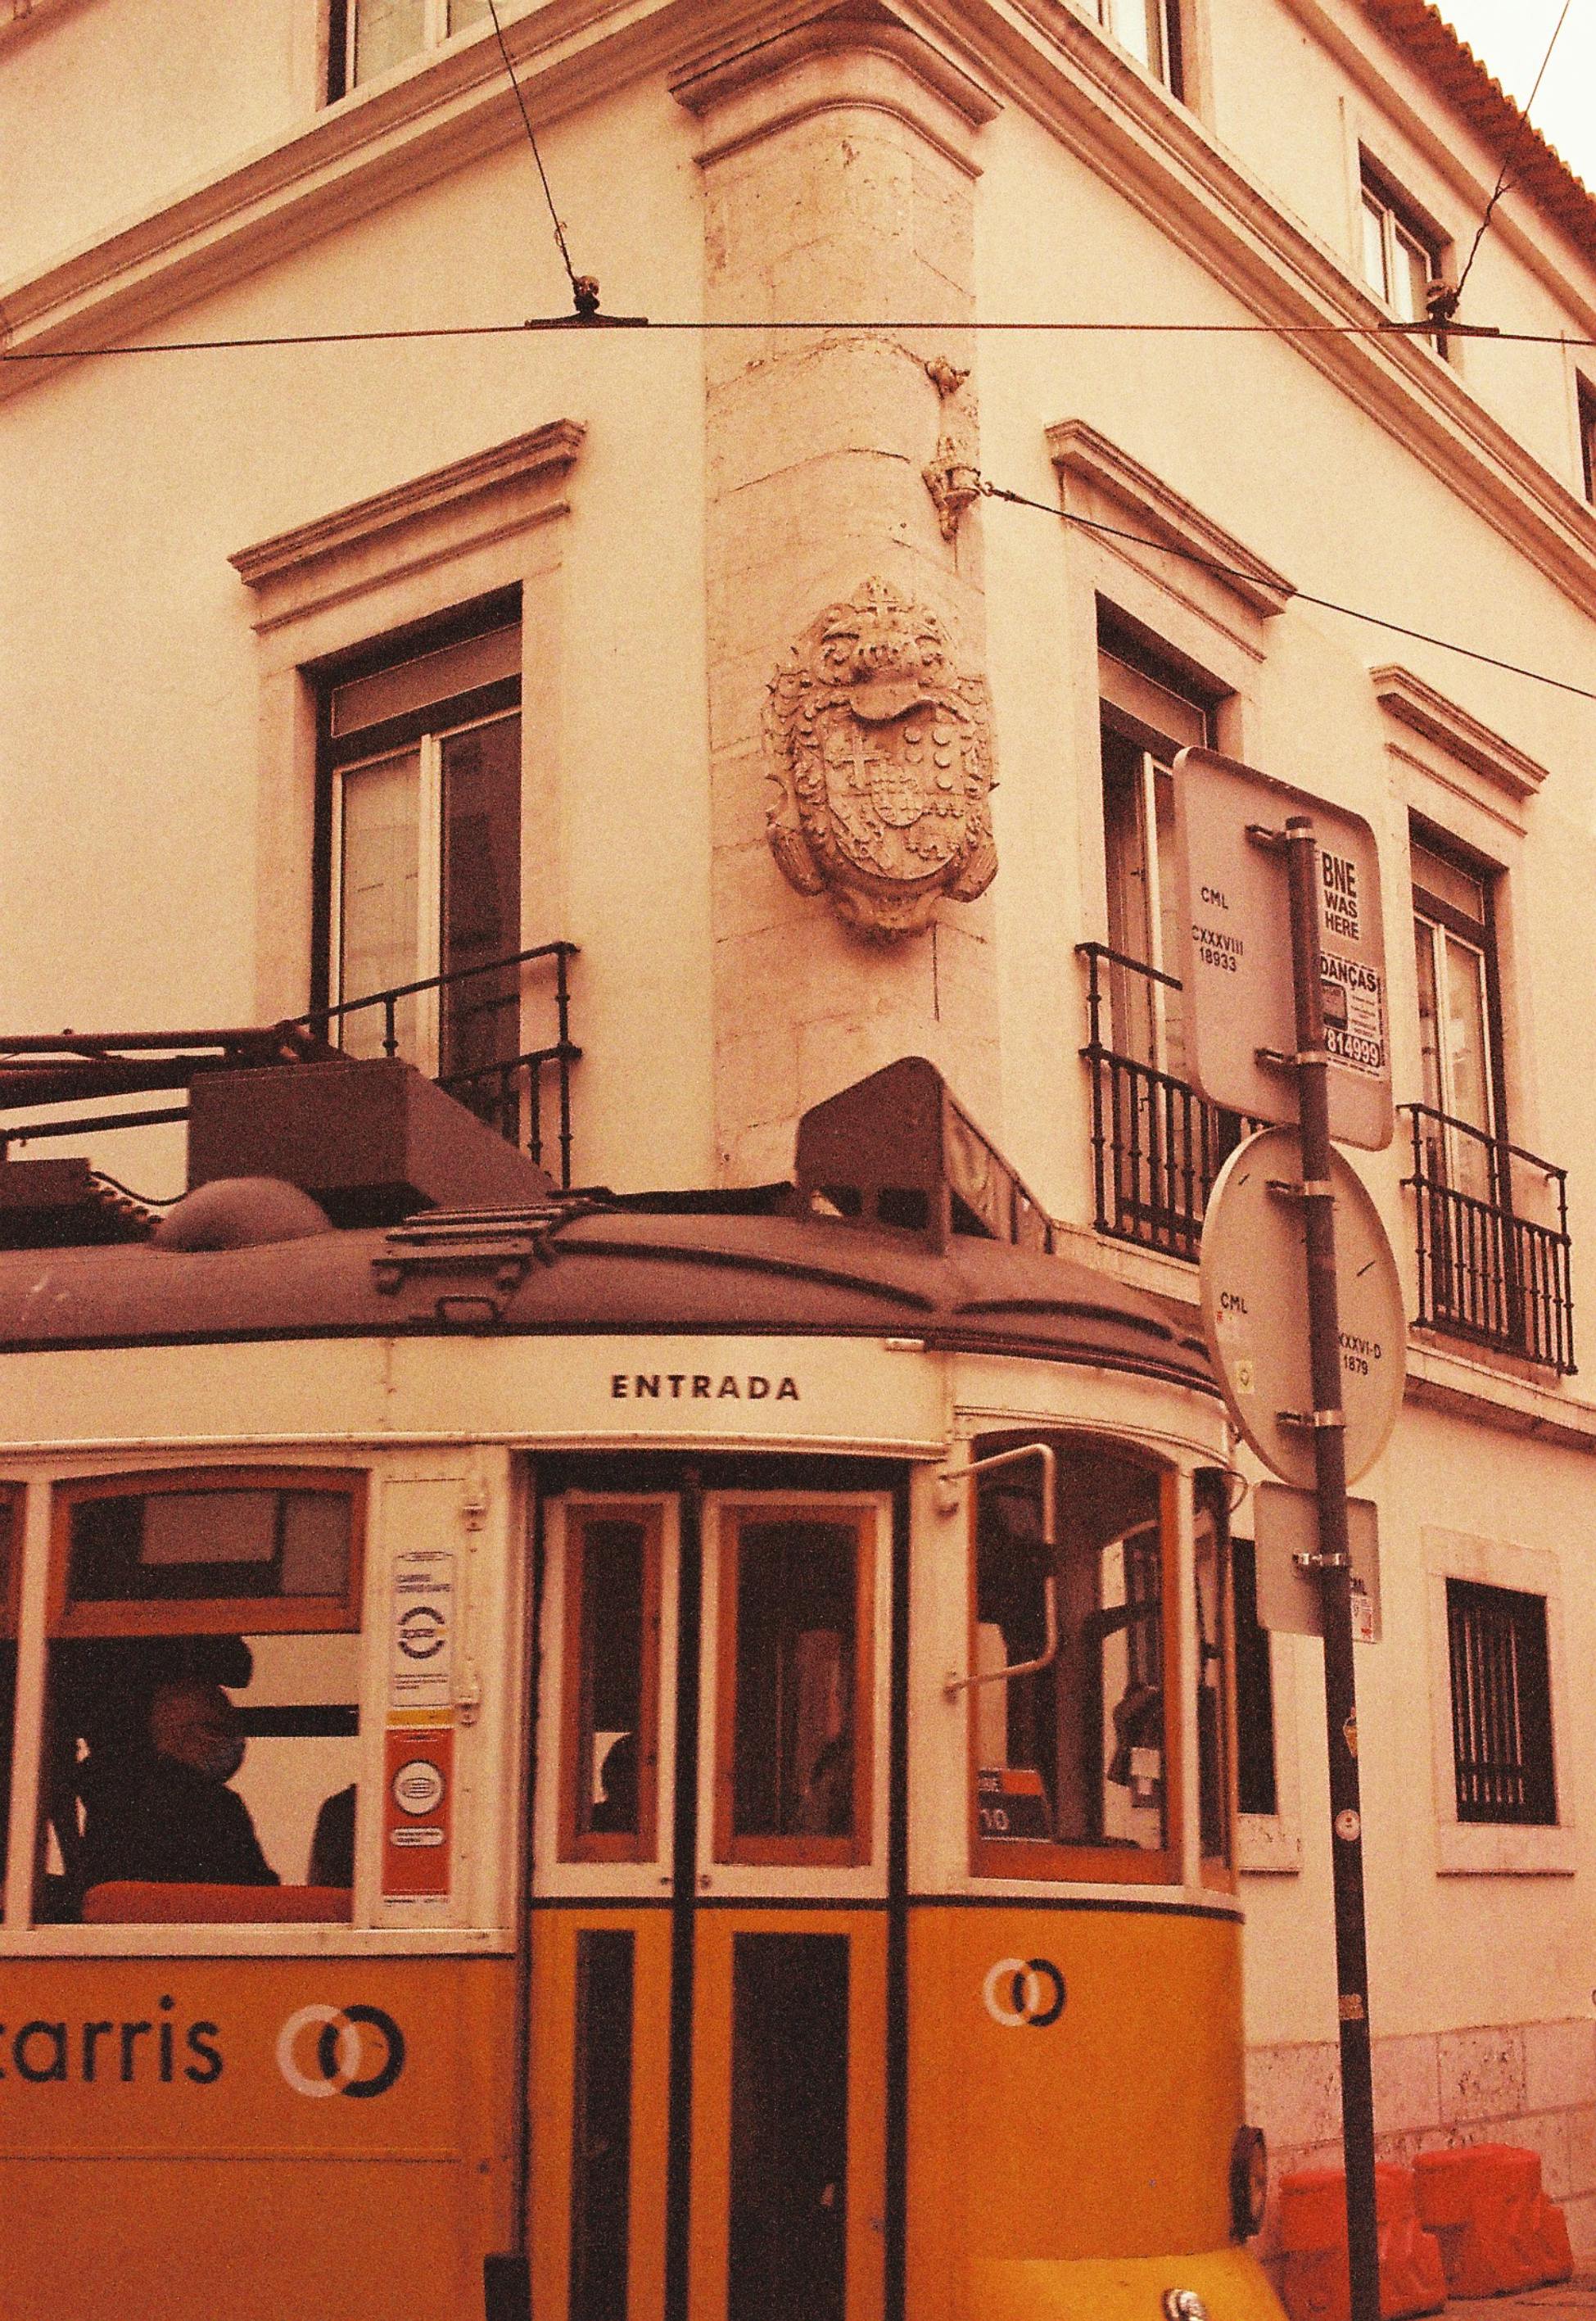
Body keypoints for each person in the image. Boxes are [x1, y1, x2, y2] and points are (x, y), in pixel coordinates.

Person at [78, 1678, 278, 1897]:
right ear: (177, 1732)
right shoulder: (214, 1805)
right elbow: (255, 1895)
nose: (231, 1740)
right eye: (217, 1729)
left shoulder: (108, 1798)